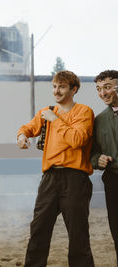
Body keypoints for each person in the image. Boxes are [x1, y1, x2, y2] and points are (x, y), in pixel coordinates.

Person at [17, 70, 94, 267]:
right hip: (50, 178)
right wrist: (22, 136)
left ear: (73, 89)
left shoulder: (84, 112)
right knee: (38, 230)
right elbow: (26, 128)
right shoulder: (47, 111)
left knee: (78, 235)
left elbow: (77, 140)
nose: (56, 91)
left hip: (75, 178)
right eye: (54, 86)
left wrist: (55, 120)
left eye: (61, 87)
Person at [90, 70, 118, 264]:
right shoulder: (98, 120)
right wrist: (97, 159)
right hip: (113, 181)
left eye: (107, 87)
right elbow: (92, 153)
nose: (103, 93)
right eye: (99, 89)